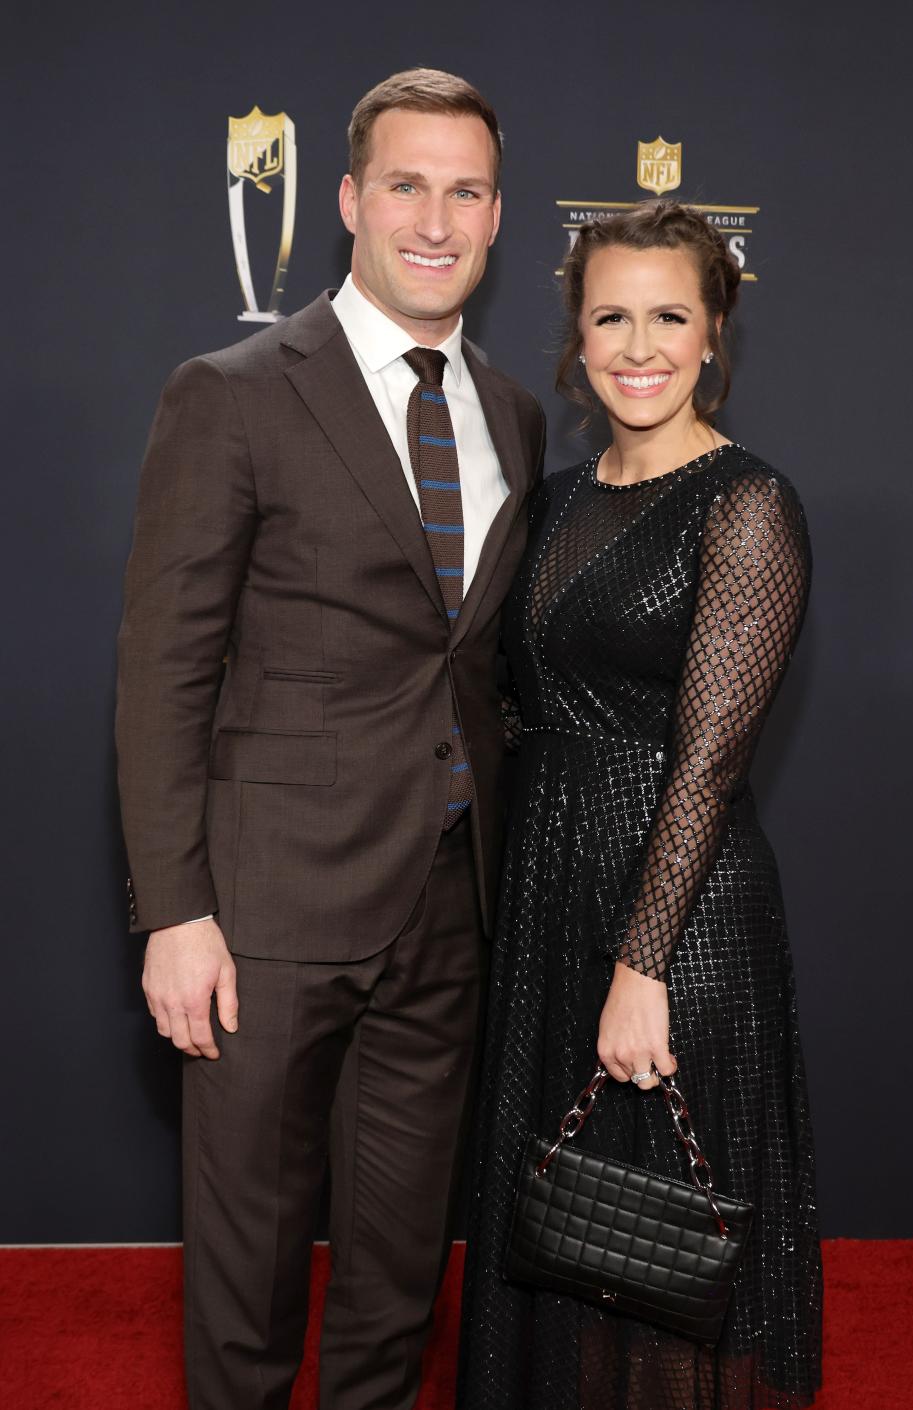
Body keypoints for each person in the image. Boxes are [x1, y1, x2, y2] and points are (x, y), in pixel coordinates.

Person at [115, 67, 544, 1410]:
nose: (436, 216)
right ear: (350, 200)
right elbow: (163, 669)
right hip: (266, 909)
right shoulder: (233, 390)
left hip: (448, 906)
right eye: (406, 183)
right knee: (245, 1276)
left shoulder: (515, 413)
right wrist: (174, 908)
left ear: (496, 215)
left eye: (465, 189)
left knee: (398, 1269)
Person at [457, 201, 822, 1410]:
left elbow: (710, 761)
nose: (639, 344)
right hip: (552, 903)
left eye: (670, 315)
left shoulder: (746, 506)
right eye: (611, 315)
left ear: (715, 333)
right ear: (575, 329)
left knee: (658, 1254)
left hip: (678, 923)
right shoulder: (554, 502)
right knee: (561, 1238)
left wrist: (642, 962)